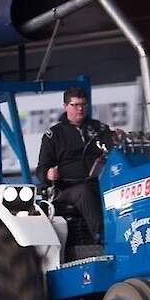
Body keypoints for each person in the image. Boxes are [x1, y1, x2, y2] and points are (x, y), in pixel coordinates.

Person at [36, 87, 113, 243]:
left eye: (83, 104)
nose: (80, 108)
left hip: (98, 181)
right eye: (75, 105)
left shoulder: (99, 129)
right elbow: (42, 169)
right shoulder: (54, 135)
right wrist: (48, 174)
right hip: (68, 188)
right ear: (66, 106)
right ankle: (104, 238)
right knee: (83, 192)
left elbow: (113, 151)